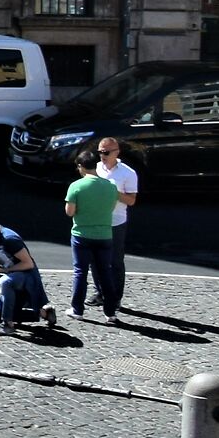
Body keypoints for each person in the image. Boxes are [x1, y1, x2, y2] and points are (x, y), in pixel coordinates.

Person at [0, 209, 55, 337]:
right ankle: (45, 313)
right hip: (11, 273)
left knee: (5, 282)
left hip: (26, 275)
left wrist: (3, 271)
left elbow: (28, 263)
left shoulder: (9, 239)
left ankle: (8, 325)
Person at [64, 147, 122, 323]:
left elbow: (69, 212)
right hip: (104, 235)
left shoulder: (76, 186)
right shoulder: (110, 186)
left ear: (81, 166)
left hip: (82, 234)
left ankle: (77, 309)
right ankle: (110, 313)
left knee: (80, 272)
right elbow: (111, 208)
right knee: (105, 272)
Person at [91, 137, 137, 313]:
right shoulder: (95, 168)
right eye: (100, 152)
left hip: (116, 221)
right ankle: (99, 292)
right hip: (96, 220)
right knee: (94, 259)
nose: (102, 155)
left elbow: (131, 200)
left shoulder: (127, 173)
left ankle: (116, 297)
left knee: (115, 261)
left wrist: (113, 193)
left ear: (116, 152)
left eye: (106, 152)